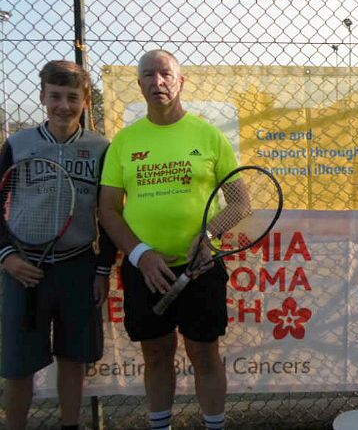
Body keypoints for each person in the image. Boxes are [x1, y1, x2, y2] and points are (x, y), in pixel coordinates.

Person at [99, 49, 238, 430]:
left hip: (201, 269)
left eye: (166, 74)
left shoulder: (208, 135)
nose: (157, 82)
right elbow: (109, 210)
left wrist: (208, 237)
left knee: (205, 356)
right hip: (147, 273)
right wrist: (141, 255)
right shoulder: (125, 142)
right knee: (156, 356)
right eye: (148, 75)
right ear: (139, 83)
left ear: (181, 81)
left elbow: (241, 201)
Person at [0, 60, 116, 430]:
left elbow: (110, 214)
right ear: (42, 97)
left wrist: (102, 268)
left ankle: (71, 425)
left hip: (77, 266)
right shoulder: (18, 144)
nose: (63, 105)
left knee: (72, 358)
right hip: (23, 269)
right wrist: (7, 256)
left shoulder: (101, 148)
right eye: (55, 96)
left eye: (72, 97)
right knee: (18, 365)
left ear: (85, 100)